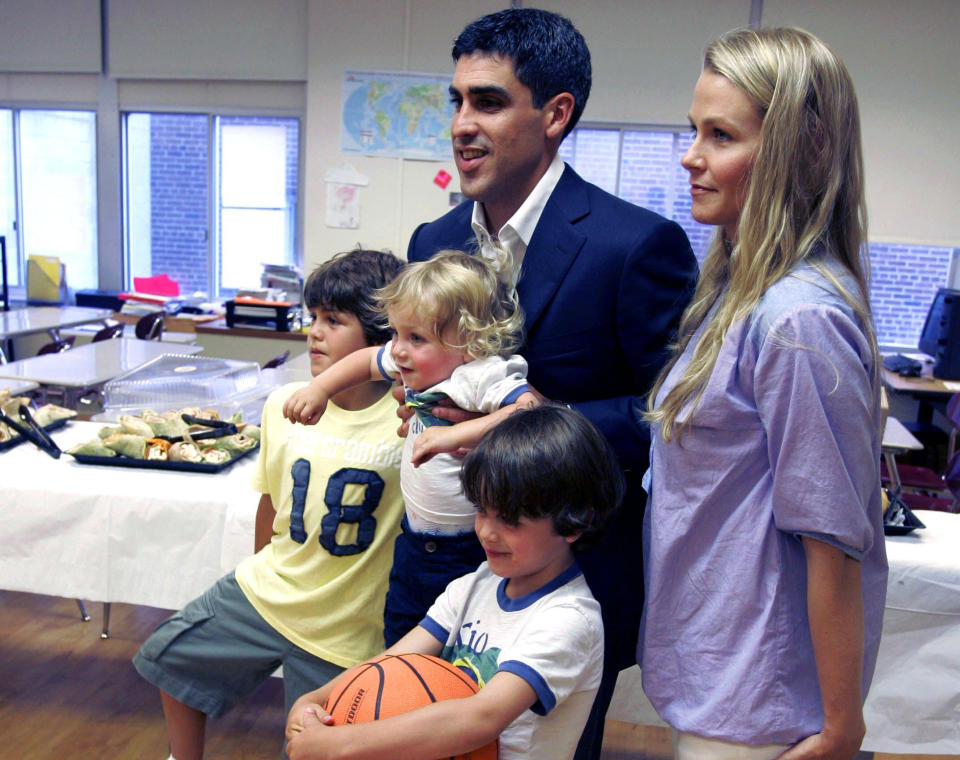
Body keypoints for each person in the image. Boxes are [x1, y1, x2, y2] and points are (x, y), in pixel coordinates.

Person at [405, 8, 699, 757]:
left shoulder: (635, 244)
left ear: (556, 114)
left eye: (490, 102)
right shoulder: (432, 242)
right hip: (440, 559)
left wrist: (541, 424)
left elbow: (675, 414)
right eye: (457, 100)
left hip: (566, 570)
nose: (462, 124)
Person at [640, 27, 888, 760]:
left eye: (720, 136)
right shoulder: (739, 293)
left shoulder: (798, 319)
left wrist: (841, 728)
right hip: (717, 669)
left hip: (761, 703)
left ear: (798, 150)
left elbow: (832, 540)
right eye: (695, 131)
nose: (691, 156)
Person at [133, 249, 406, 760]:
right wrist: (261, 568)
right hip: (270, 592)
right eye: (312, 318)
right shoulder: (284, 405)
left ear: (379, 336)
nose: (315, 333)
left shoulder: (406, 419)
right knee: (169, 657)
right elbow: (271, 505)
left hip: (347, 626)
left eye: (334, 321)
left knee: (312, 746)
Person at [284, 404, 625, 760]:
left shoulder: (569, 620)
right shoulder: (477, 584)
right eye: (481, 510)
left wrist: (339, 745)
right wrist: (316, 699)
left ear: (573, 522)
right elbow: (391, 660)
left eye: (508, 519)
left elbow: (480, 718)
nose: (486, 532)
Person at [283, 249, 539, 645]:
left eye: (416, 338)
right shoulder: (411, 364)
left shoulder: (480, 375)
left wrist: (458, 434)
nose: (398, 350)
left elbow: (530, 410)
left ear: (469, 342)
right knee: (402, 633)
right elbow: (369, 359)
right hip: (414, 543)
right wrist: (319, 388)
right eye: (396, 333)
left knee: (457, 643)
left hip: (467, 549)